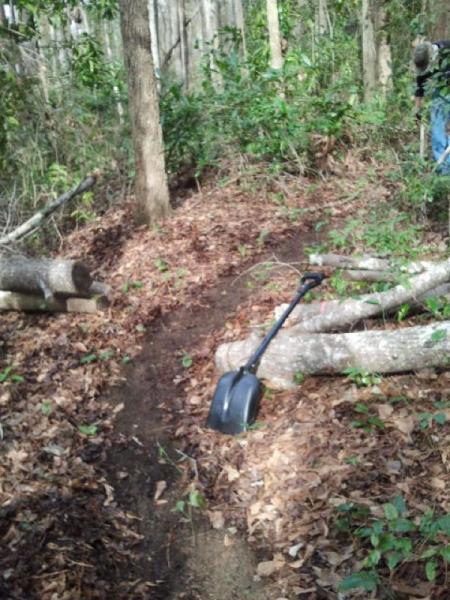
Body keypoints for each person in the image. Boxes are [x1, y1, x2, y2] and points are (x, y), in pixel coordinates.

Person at [413, 40, 450, 174]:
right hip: (440, 94)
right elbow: (420, 88)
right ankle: (443, 172)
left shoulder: (447, 49)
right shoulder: (422, 59)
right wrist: (418, 110)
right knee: (438, 133)